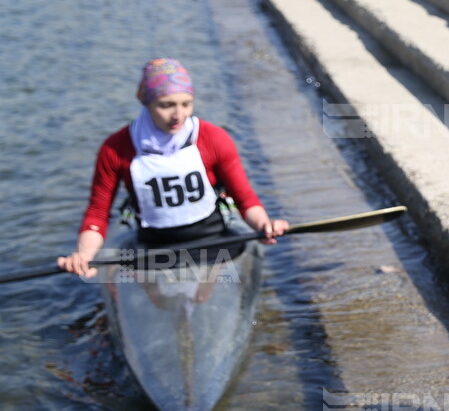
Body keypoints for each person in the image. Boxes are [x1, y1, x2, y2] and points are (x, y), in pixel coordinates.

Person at [57, 58, 288, 278]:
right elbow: (98, 212)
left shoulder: (214, 138)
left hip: (213, 241)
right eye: (166, 105)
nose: (178, 115)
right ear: (144, 100)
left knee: (200, 299)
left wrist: (264, 225)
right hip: (155, 247)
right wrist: (84, 255)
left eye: (186, 104)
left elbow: (245, 198)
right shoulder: (115, 148)